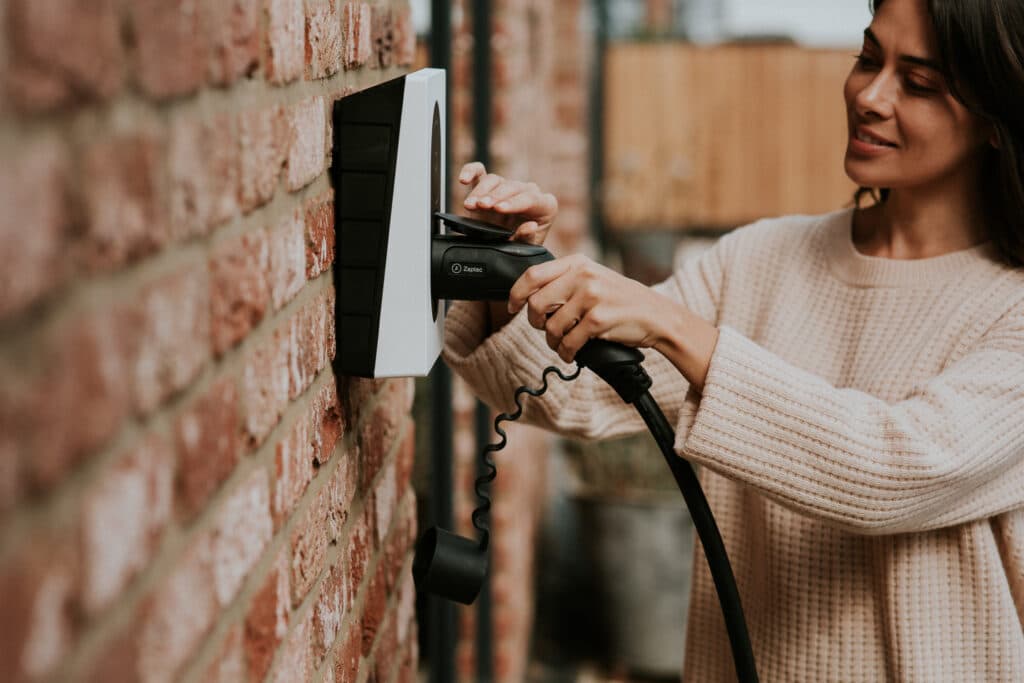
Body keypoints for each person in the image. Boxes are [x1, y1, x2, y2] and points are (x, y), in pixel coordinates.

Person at [443, 0, 1024, 680]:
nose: (870, 95)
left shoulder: (1008, 309)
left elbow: (894, 467)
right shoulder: (760, 260)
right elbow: (575, 396)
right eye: (868, 58)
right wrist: (513, 272)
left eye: (918, 83)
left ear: (995, 115)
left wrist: (678, 329)